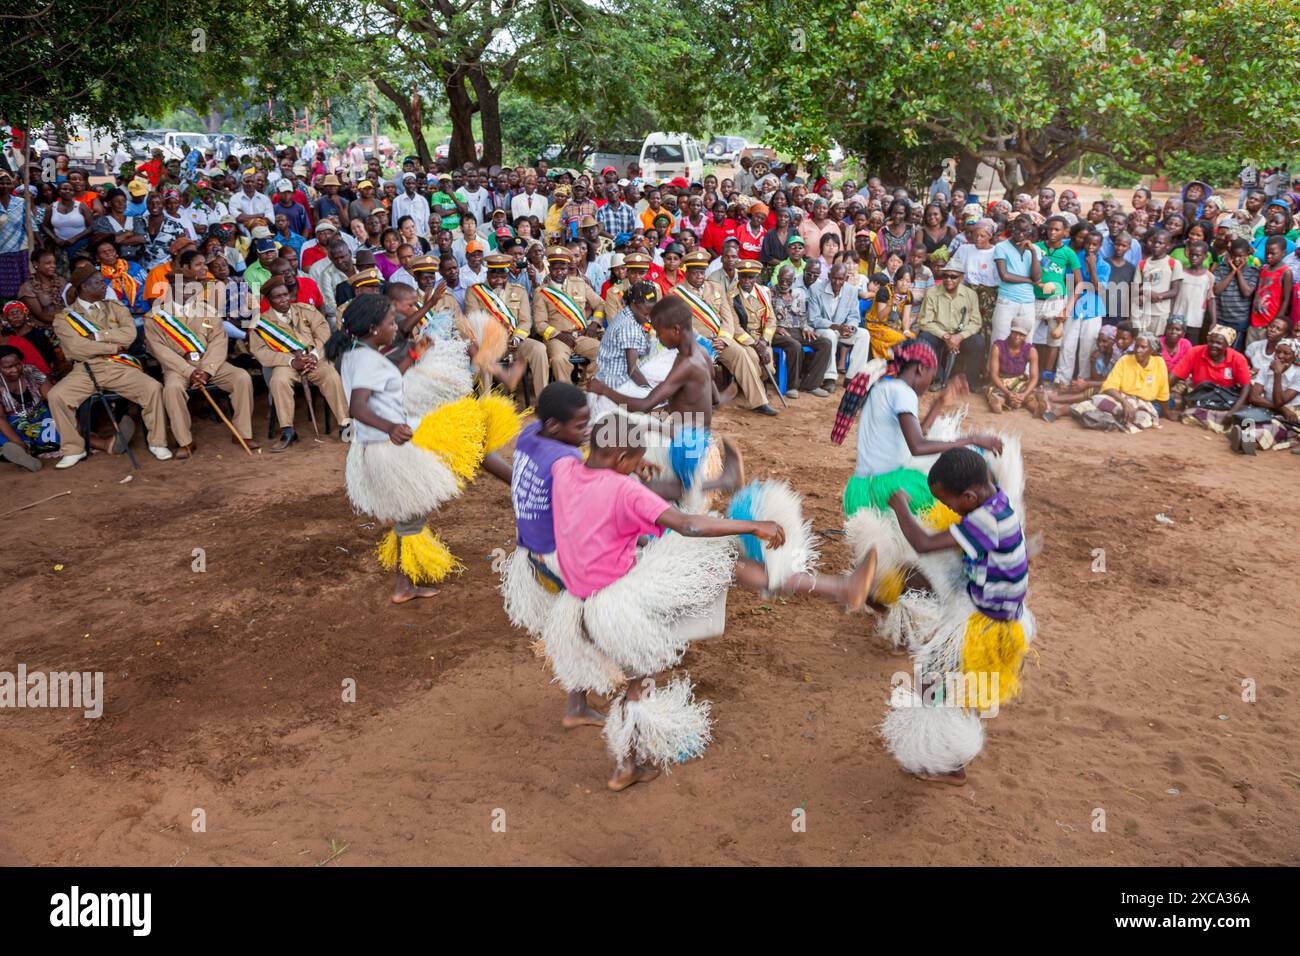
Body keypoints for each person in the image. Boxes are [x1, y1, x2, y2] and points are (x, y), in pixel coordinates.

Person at [330, 294, 521, 604]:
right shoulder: (363, 358)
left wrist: (416, 355)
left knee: (470, 443)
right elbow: (357, 406)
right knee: (411, 516)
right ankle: (403, 586)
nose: (396, 327)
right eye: (390, 323)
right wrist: (390, 427)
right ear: (372, 327)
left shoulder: (361, 353)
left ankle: (519, 484)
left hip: (395, 439)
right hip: (391, 445)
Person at [881, 447, 1031, 785]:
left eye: (949, 503)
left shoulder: (983, 521)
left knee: (931, 679)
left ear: (970, 494)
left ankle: (948, 764)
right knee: (954, 686)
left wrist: (900, 504)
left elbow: (921, 542)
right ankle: (946, 750)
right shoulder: (998, 501)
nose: (948, 509)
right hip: (1000, 614)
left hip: (985, 623)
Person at [834, 340, 1001, 520]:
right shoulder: (903, 392)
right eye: (932, 375)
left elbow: (916, 436)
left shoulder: (884, 388)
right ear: (921, 369)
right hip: (887, 490)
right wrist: (972, 440)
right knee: (951, 506)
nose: (929, 383)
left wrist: (939, 403)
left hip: (861, 492)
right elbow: (918, 446)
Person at [47, 263, 172, 468]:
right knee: (56, 396)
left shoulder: (116, 307)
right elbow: (75, 348)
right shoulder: (64, 318)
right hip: (85, 369)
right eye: (99, 282)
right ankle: (73, 449)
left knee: (153, 388)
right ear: (85, 287)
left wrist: (97, 336)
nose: (105, 285)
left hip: (119, 367)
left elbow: (129, 335)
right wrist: (113, 347)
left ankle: (157, 442)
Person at [144, 249, 258, 458]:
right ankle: (185, 441)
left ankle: (243, 433)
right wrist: (189, 371)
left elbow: (218, 342)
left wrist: (206, 370)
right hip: (178, 368)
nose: (189, 290)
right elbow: (160, 351)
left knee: (241, 377)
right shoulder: (156, 317)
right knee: (172, 390)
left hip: (209, 364)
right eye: (183, 285)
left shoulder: (208, 310)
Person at [251, 275, 351, 452]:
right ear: (268, 299)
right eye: (277, 296)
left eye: (285, 294)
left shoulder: (306, 310)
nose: (283, 300)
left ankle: (345, 425)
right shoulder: (261, 323)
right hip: (286, 363)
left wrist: (313, 355)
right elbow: (260, 352)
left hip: (314, 359)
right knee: (278, 381)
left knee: (331, 375)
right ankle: (288, 431)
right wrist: (290, 361)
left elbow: (324, 334)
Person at [672, 249, 778, 416]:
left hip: (721, 340)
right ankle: (704, 403)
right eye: (695, 273)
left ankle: (759, 402)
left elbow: (728, 319)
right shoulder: (677, 294)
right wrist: (703, 342)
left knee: (741, 354)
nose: (699, 276)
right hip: (696, 343)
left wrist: (724, 339)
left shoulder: (716, 288)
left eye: (702, 272)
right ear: (687, 273)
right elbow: (680, 325)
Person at [463, 253, 547, 405]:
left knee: (539, 349)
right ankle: (486, 407)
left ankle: (544, 403)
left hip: (515, 341)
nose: (499, 281)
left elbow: (525, 321)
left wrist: (516, 338)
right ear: (487, 274)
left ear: (507, 274)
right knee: (484, 355)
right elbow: (473, 322)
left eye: (503, 276)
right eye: (494, 276)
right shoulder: (475, 292)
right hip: (489, 342)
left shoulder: (519, 291)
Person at [1066, 330, 1169, 432]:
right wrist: (1124, 402)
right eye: (1136, 346)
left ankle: (1100, 418)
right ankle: (1106, 418)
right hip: (1122, 397)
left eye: (1143, 347)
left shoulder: (1159, 363)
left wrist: (1167, 414)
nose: (1138, 350)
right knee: (1100, 400)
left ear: (1152, 350)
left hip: (1145, 403)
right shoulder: (1125, 359)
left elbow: (1163, 394)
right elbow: (1109, 386)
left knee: (1140, 418)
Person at [534, 246, 604, 385]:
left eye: (563, 268)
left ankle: (584, 388)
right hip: (557, 338)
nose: (559, 272)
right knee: (558, 360)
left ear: (568, 268)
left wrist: (594, 323)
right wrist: (559, 335)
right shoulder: (542, 292)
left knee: (604, 352)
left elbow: (600, 304)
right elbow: (540, 324)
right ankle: (567, 394)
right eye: (555, 268)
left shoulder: (580, 284)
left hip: (581, 335)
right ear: (550, 268)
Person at [915, 261, 985, 390]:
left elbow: (976, 322)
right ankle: (937, 379)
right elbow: (924, 322)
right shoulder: (932, 293)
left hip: (960, 335)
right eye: (945, 276)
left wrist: (959, 336)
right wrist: (945, 336)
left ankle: (971, 381)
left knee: (978, 341)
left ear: (961, 277)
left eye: (953, 276)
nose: (948, 279)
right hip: (939, 333)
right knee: (923, 339)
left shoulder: (970, 294)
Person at [1225, 337, 1300, 454]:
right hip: (1273, 408)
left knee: (1275, 426)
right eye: (1278, 351)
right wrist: (1281, 409)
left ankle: (1245, 440)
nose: (1280, 356)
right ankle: (1244, 439)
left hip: (1292, 413)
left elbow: (1280, 401)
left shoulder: (1298, 373)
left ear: (1295, 356)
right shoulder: (1266, 367)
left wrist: (1278, 374)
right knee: (1254, 417)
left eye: (1286, 353)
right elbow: (1254, 397)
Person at [1171, 323, 1252, 425]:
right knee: (1183, 407)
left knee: (1238, 416)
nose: (1214, 345)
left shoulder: (1238, 359)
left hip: (1225, 398)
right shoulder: (1195, 352)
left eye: (1219, 343)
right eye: (1211, 341)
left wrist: (1232, 412)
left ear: (1228, 345)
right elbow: (1175, 376)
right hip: (1200, 396)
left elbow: (1246, 387)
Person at [0, 344, 58, 470]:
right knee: (6, 440)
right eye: (8, 367)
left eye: (17, 364)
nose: (15, 369)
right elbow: (1, 419)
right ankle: (22, 451)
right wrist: (18, 442)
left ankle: (27, 452)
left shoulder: (31, 371)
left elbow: (53, 398)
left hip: (40, 416)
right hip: (12, 422)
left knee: (57, 432)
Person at [991, 215, 1041, 343]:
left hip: (1028, 302)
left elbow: (1037, 277)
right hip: (1007, 301)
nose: (1021, 234)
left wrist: (1033, 253)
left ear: (1031, 230)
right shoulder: (1001, 247)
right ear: (1012, 229)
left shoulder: (1036, 249)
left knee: (1026, 344)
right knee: (999, 342)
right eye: (1017, 230)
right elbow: (1004, 275)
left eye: (1025, 231)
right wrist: (1029, 280)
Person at [985, 314, 1043, 415]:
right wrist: (1007, 393)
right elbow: (994, 375)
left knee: (1029, 396)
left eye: (1021, 335)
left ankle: (1035, 407)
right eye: (1015, 332)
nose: (1017, 337)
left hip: (1019, 382)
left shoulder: (1031, 351)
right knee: (997, 394)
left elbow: (1034, 377)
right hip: (1000, 382)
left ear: (1026, 335)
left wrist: (1024, 395)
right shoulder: (998, 347)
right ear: (1010, 331)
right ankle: (999, 402)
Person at [1135, 228, 1183, 335]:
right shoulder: (1142, 264)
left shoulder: (1173, 263)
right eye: (1154, 242)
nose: (1156, 245)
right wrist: (1148, 293)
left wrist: (1158, 296)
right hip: (1143, 311)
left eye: (1160, 243)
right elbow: (1135, 287)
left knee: (1157, 343)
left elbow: (1175, 291)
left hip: (1161, 313)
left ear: (1168, 246)